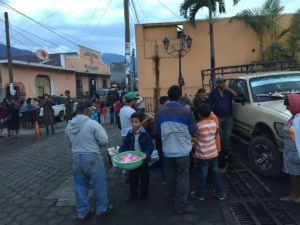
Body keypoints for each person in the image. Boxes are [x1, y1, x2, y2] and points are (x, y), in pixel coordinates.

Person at [65, 100, 113, 222]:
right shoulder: (92, 124)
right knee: (99, 184)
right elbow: (104, 141)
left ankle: (83, 212)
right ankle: (102, 209)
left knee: (80, 185)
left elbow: (69, 142)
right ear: (87, 111)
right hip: (92, 157)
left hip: (76, 158)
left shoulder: (69, 125)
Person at [155, 85, 196, 214]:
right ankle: (180, 205)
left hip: (167, 150)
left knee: (170, 176)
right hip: (183, 150)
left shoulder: (160, 112)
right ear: (180, 96)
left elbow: (156, 131)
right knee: (183, 177)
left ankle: (172, 199)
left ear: (168, 95)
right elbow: (193, 130)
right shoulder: (187, 112)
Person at [191, 103, 225, 201]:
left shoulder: (198, 126)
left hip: (203, 155)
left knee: (202, 174)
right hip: (213, 153)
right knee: (216, 173)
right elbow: (215, 134)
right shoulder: (214, 123)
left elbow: (194, 136)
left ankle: (200, 194)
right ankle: (220, 193)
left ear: (199, 114)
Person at [119, 112, 154, 201]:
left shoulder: (145, 134)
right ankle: (133, 195)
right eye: (132, 122)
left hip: (143, 160)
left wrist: (147, 154)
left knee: (144, 179)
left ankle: (143, 196)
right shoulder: (130, 133)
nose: (134, 124)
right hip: (132, 160)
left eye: (136, 122)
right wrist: (119, 152)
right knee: (133, 178)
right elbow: (125, 145)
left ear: (141, 122)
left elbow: (150, 146)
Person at [208, 77, 238, 168]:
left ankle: (226, 153)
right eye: (221, 83)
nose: (223, 84)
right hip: (218, 117)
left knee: (227, 136)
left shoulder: (228, 91)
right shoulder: (213, 93)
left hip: (228, 116)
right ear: (217, 84)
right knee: (219, 136)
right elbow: (210, 105)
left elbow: (236, 95)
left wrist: (228, 88)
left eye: (224, 82)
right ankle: (219, 153)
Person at [280, 94, 300, 203]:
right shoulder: (295, 116)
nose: (287, 108)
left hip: (295, 152)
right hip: (292, 151)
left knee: (295, 174)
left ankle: (295, 196)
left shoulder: (298, 119)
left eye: (288, 105)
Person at [155, 96, 169, 183]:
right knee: (163, 160)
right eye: (166, 103)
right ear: (161, 104)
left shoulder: (162, 112)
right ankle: (165, 178)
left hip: (165, 141)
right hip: (161, 140)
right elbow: (156, 130)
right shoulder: (159, 113)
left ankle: (167, 177)